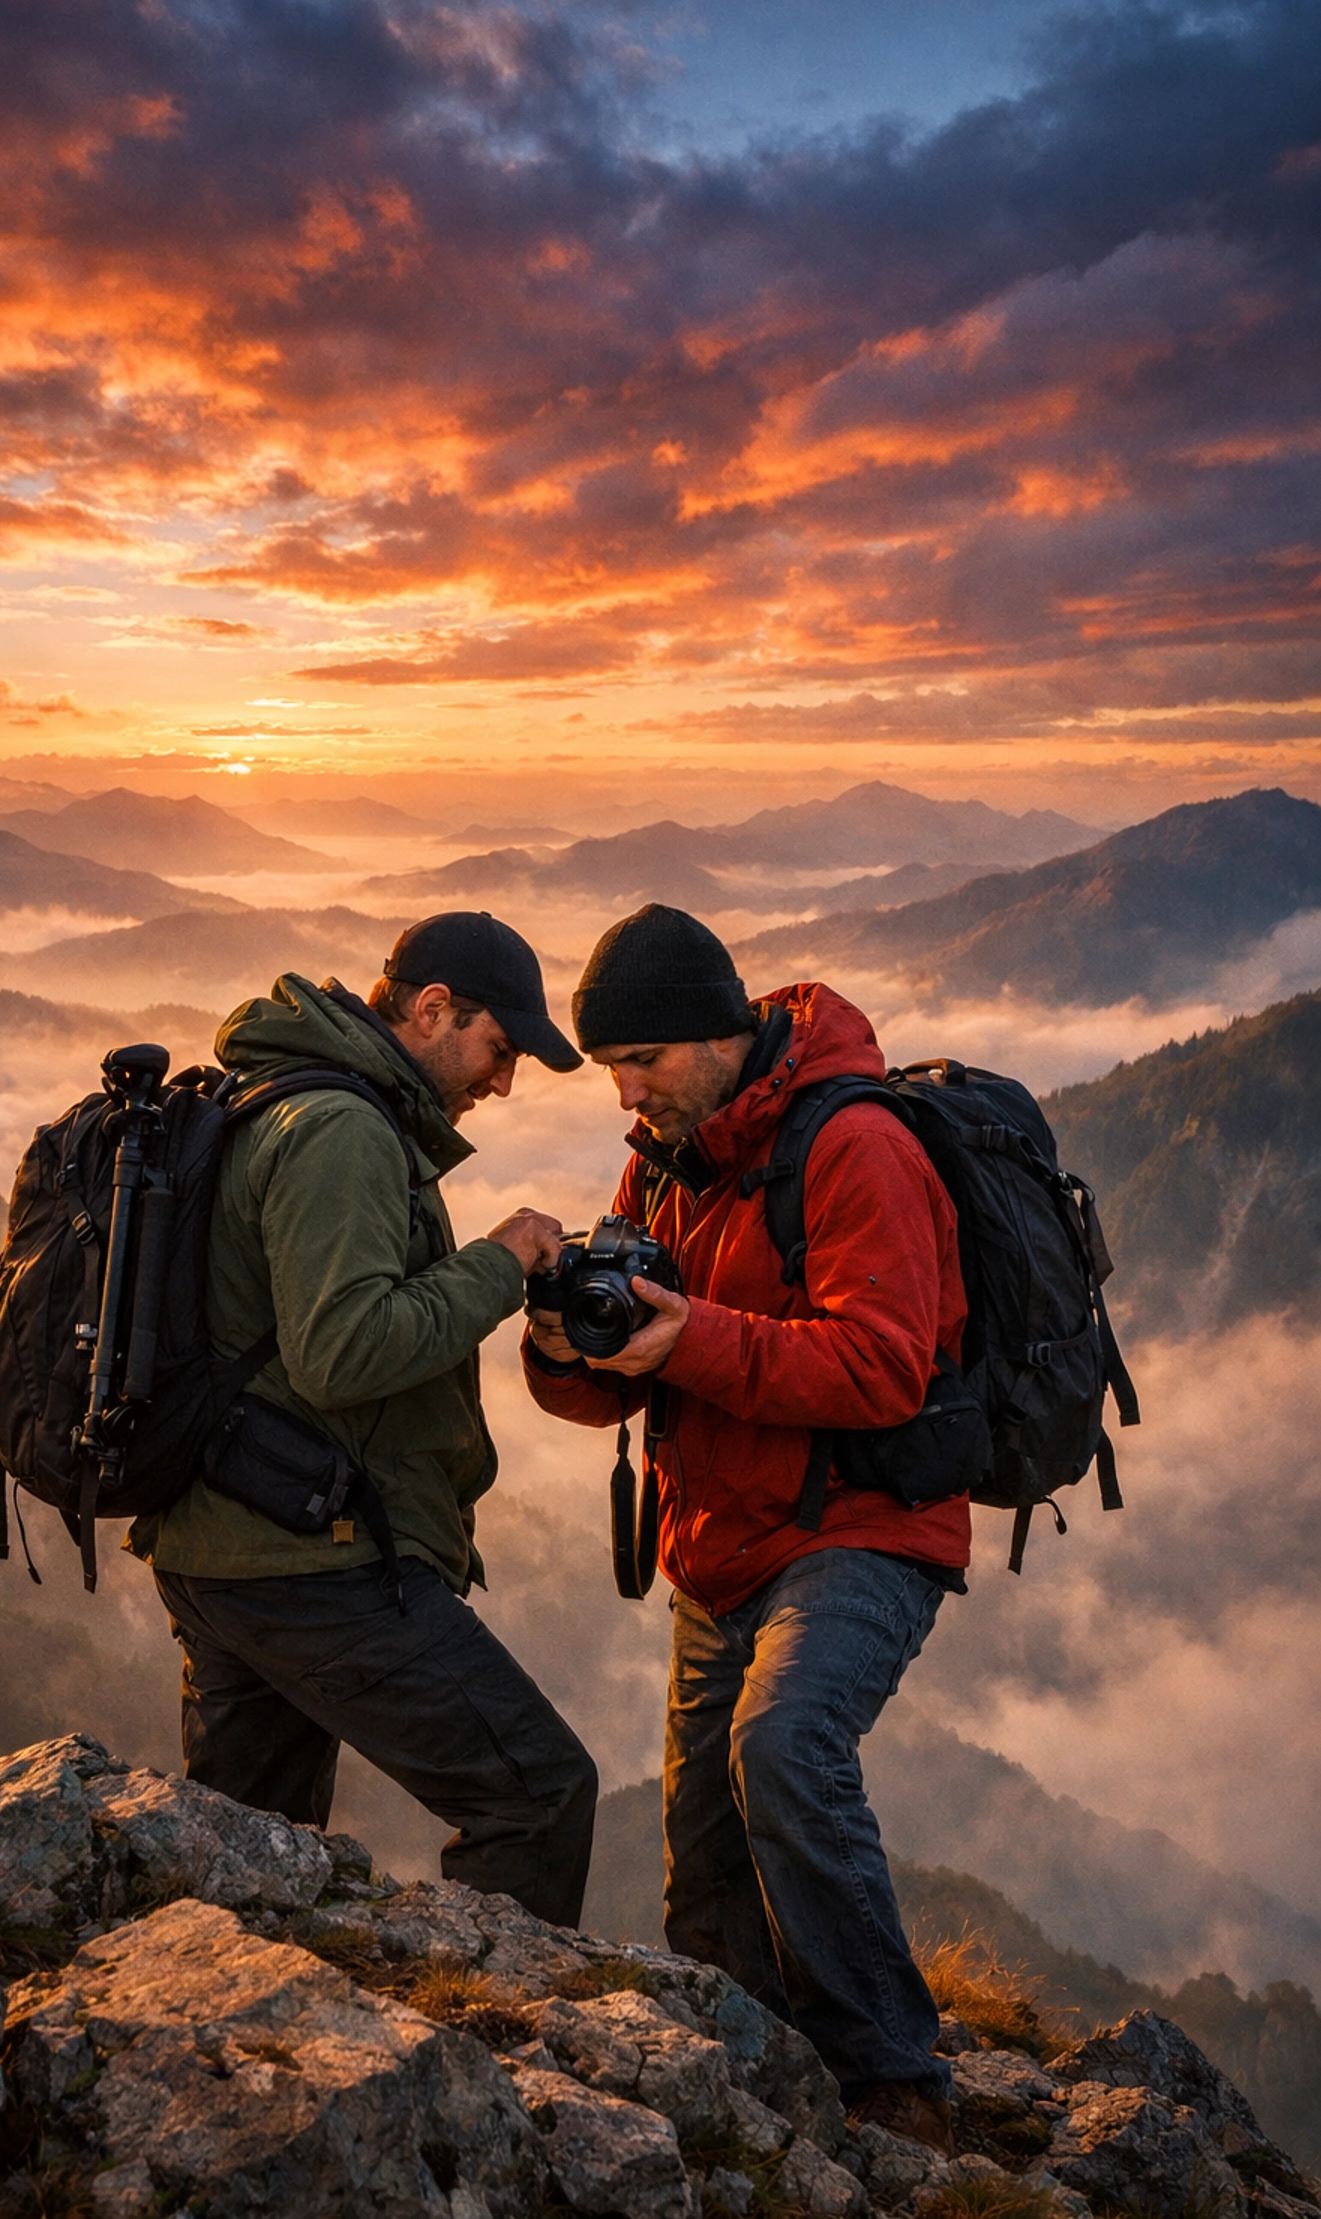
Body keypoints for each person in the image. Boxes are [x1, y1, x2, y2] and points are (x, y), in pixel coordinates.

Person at [523, 903, 968, 2148]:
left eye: (642, 1060)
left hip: (866, 1530)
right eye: (611, 1064)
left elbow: (885, 1367)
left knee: (782, 1750)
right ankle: (754, 2072)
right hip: (719, 1541)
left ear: (718, 1034)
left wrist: (693, 1339)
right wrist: (566, 1346)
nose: (625, 1089)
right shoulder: (662, 1154)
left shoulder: (856, 1144)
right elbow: (621, 1370)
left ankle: (897, 2082)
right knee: (704, 1857)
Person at [129, 911, 599, 1928]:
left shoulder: (294, 1095)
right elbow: (344, 1352)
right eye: (499, 1050)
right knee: (537, 1794)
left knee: (251, 1853)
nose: (505, 1083)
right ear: (431, 1010)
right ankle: (497, 2052)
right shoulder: (340, 1128)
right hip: (305, 1563)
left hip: (225, 1542)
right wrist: (501, 1261)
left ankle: (225, 2048)